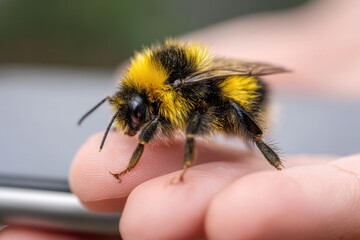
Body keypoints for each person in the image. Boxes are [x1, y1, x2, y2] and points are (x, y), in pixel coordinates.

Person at [2, 0, 360, 239]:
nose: (135, 124)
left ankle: (267, 158)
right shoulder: (152, 87)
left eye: (137, 115)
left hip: (240, 96)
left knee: (215, 116)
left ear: (156, 95)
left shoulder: (174, 89)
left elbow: (185, 119)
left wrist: (182, 168)